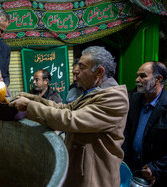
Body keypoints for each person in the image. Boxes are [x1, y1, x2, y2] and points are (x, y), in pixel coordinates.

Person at [10, 46, 129, 187]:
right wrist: (32, 99)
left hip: (94, 176)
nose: (76, 71)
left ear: (99, 72)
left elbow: (70, 119)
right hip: (79, 168)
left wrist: (29, 107)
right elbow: (64, 108)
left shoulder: (114, 98)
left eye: (82, 67)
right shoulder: (92, 92)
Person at [122, 61, 167, 186]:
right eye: (137, 75)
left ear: (158, 79)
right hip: (131, 170)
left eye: (143, 76)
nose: (137, 79)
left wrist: (156, 167)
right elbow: (127, 131)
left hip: (157, 176)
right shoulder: (134, 100)